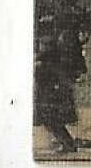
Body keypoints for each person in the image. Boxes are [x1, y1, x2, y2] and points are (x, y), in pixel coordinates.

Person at [34, 26, 82, 154]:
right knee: (50, 118)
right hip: (49, 86)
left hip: (51, 87)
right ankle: (64, 142)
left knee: (50, 118)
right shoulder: (55, 43)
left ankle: (68, 144)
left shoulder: (52, 50)